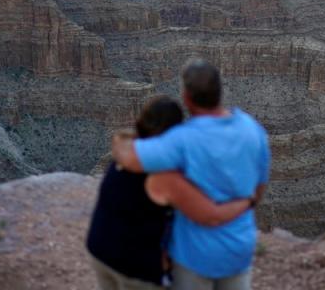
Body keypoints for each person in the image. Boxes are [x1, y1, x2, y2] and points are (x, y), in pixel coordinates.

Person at [112, 60, 270, 290]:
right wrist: (246, 203)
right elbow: (260, 186)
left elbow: (128, 158)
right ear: (220, 92)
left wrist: (120, 139)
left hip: (195, 256)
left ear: (186, 97)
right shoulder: (253, 129)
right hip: (239, 248)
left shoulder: (181, 140)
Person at [87, 95, 253, 290]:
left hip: (99, 250)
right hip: (132, 267)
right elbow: (211, 216)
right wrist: (246, 202)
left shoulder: (126, 151)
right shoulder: (162, 174)